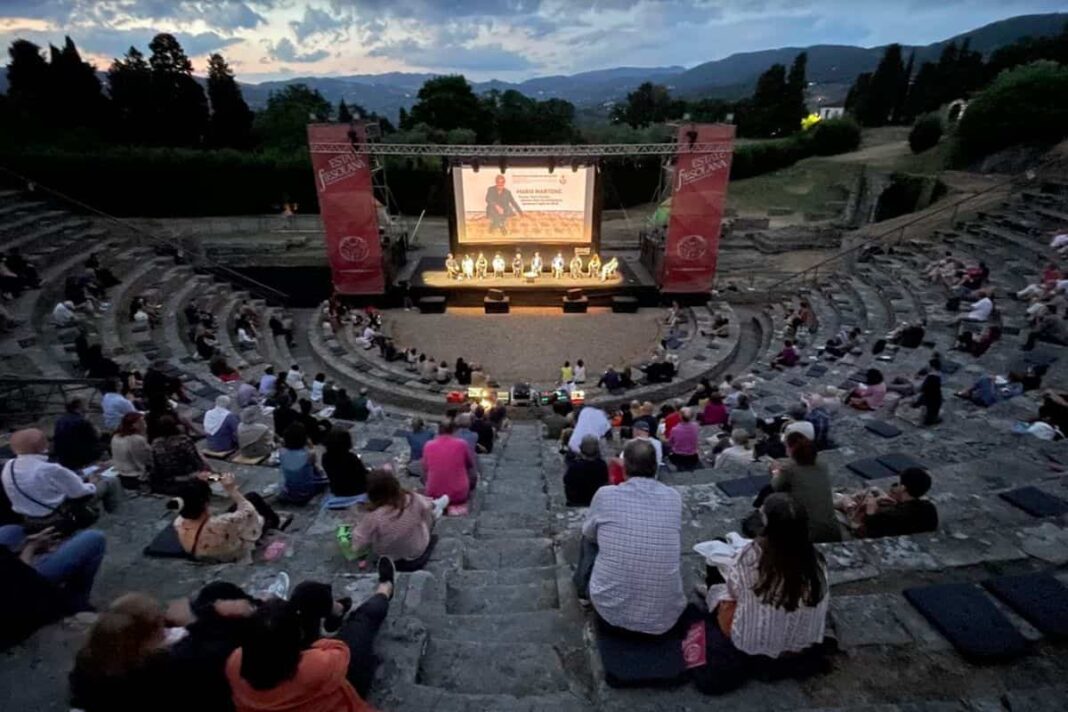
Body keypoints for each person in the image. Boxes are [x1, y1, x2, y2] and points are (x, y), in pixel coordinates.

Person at [699, 494, 829, 694]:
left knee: (716, 569)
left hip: (751, 641)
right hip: (800, 643)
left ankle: (709, 596)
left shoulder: (752, 556)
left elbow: (734, 591)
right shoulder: (816, 562)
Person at [226, 559, 395, 709]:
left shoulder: (234, 663)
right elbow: (340, 650)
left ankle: (337, 610)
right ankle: (385, 588)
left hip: (288, 666)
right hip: (339, 684)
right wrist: (315, 642)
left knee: (306, 593)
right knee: (362, 623)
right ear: (297, 637)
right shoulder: (315, 667)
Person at [575, 439, 686, 635]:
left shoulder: (605, 494)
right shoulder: (673, 497)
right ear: (655, 467)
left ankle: (582, 591)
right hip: (665, 616)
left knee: (588, 538)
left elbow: (589, 535)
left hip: (610, 613)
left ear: (625, 467)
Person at [0, 427, 118, 535]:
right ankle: (118, 517)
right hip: (57, 516)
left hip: (29, 519)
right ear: (43, 446)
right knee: (109, 481)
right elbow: (80, 492)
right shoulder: (49, 469)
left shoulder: (8, 466)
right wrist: (92, 483)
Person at [0, 525, 106, 634]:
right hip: (14, 602)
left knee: (11, 531)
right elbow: (19, 584)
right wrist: (30, 548)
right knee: (94, 539)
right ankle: (73, 606)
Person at [171, 475, 281, 562]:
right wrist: (231, 489)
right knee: (252, 499)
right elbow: (250, 512)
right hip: (232, 554)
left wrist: (208, 478)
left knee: (240, 507)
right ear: (205, 503)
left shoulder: (178, 522)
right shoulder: (222, 522)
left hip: (205, 552)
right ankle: (275, 522)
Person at [352, 469, 442, 569]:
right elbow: (427, 507)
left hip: (390, 558)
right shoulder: (412, 498)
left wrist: (356, 544)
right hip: (417, 551)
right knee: (424, 517)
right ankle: (440, 505)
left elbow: (359, 541)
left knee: (372, 534)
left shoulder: (373, 516)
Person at [767, 428, 839, 543]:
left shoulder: (789, 469)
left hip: (808, 534)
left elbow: (775, 486)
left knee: (772, 500)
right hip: (832, 529)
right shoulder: (822, 464)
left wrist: (776, 472)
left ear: (790, 449)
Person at [835, 467, 938, 538]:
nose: (894, 485)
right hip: (895, 526)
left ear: (903, 488)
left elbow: (859, 528)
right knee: (872, 491)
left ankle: (839, 501)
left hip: (865, 531)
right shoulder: (929, 508)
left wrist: (870, 508)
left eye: (897, 483)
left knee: (842, 505)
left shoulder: (891, 515)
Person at [150, 416, 208, 495]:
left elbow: (155, 463)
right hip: (188, 475)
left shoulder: (155, 443)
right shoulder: (183, 440)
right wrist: (204, 467)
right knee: (210, 472)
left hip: (169, 477)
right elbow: (195, 459)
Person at [423, 419, 475, 505]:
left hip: (434, 493)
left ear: (439, 430)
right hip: (458, 494)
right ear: (454, 430)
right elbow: (470, 465)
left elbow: (425, 469)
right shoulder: (462, 444)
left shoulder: (428, 445)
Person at [278, 423, 328, 505]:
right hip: (307, 492)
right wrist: (311, 446)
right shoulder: (309, 454)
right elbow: (316, 467)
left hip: (290, 491)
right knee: (323, 477)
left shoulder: (281, 452)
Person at [52, 398, 101, 471]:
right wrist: (90, 423)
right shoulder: (82, 421)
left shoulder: (61, 420)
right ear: (80, 405)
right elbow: (95, 437)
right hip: (79, 458)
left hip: (64, 457)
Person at [321, 429, 369, 498]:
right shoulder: (351, 458)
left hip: (337, 490)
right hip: (356, 490)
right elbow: (363, 476)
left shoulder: (325, 457)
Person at [564, 435, 609, 507]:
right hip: (595, 503)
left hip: (576, 502)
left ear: (581, 449)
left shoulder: (574, 466)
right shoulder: (602, 465)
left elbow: (566, 481)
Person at [111, 412, 152, 488]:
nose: (145, 424)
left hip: (121, 472)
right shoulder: (136, 439)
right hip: (135, 475)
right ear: (134, 425)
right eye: (142, 422)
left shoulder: (116, 436)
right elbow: (144, 461)